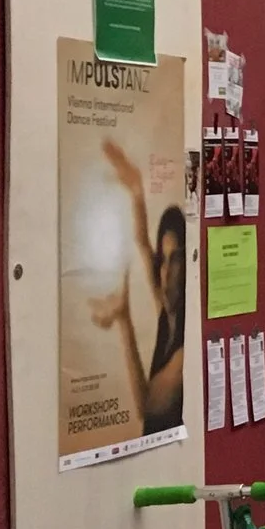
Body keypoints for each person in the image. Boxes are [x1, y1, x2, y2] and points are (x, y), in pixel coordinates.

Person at [89, 139, 188, 439]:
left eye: (175, 259)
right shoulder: (169, 314)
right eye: (163, 259)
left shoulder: (181, 356)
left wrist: (124, 320)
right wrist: (136, 191)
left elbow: (146, 406)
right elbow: (144, 245)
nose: (165, 270)